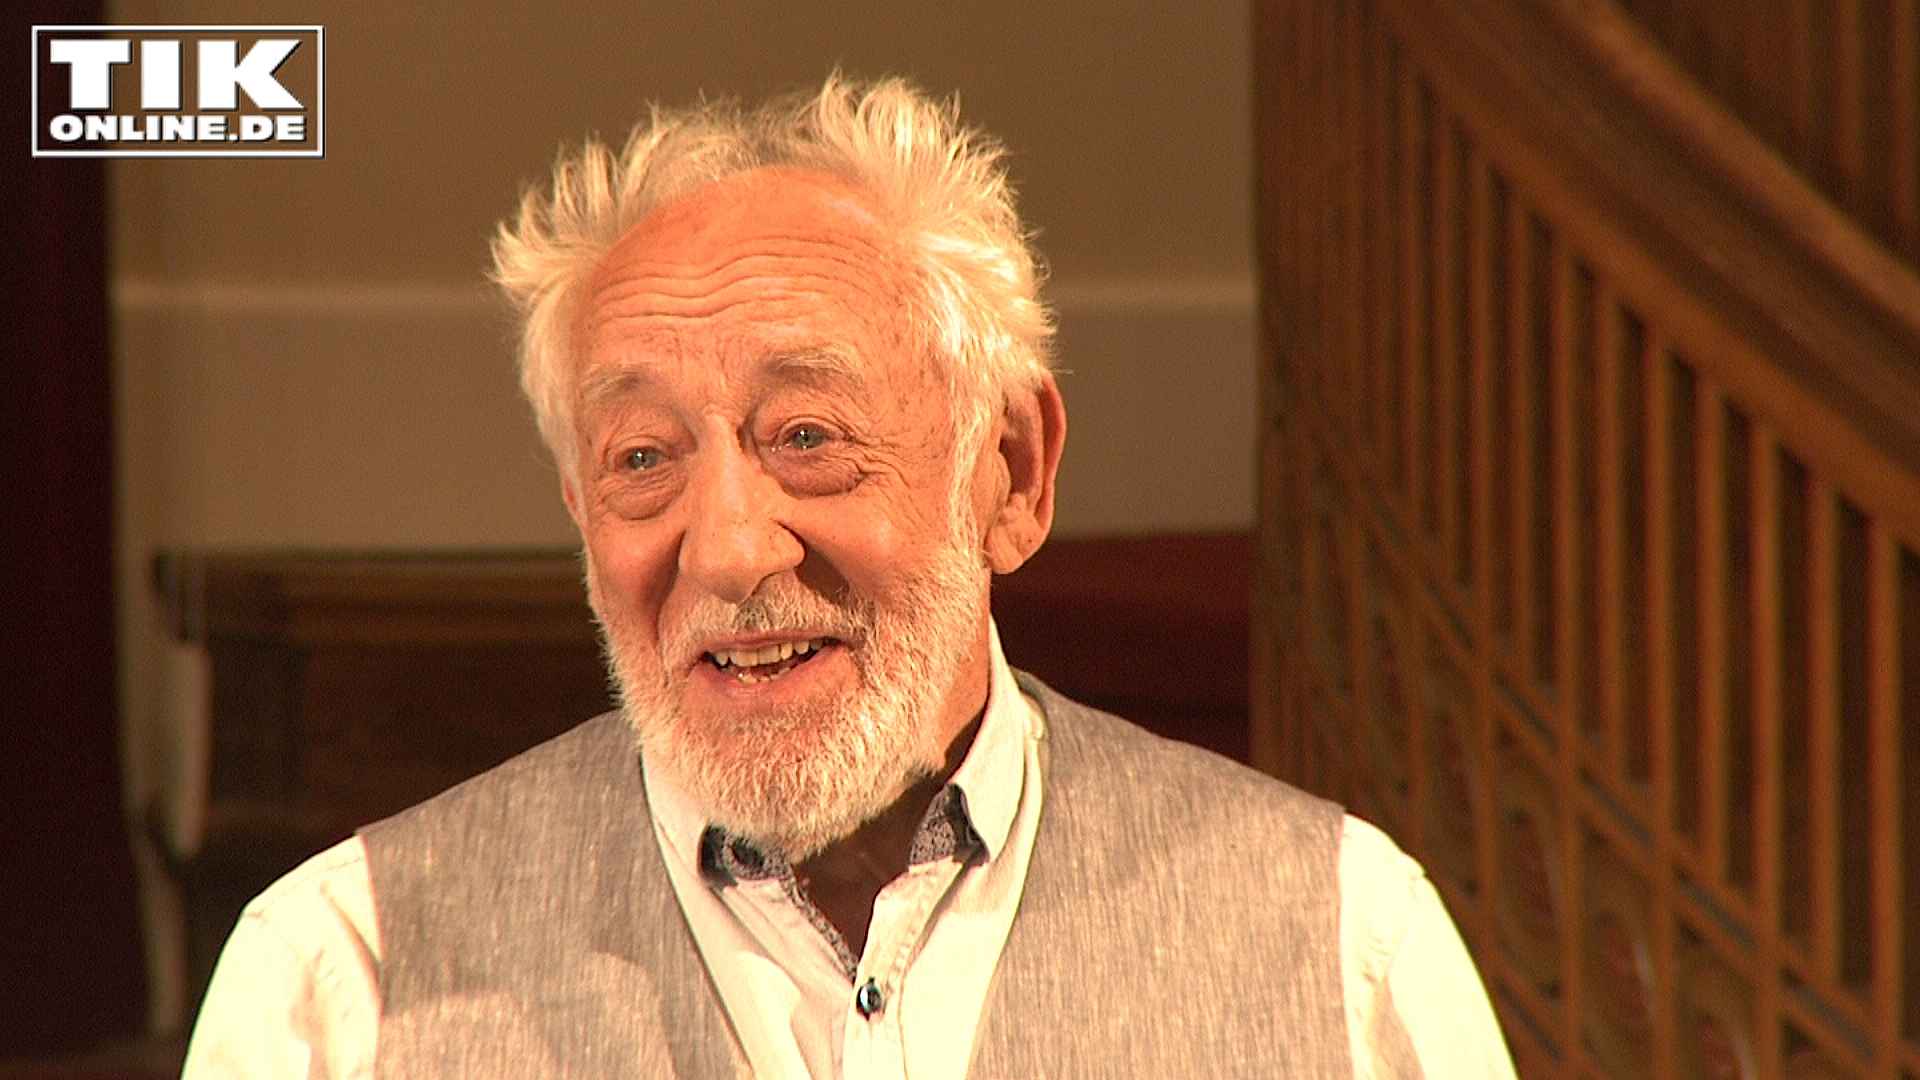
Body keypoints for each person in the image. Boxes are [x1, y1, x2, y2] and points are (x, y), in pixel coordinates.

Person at [183, 75, 1515, 1078]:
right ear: (581, 515)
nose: (728, 549)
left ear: (1010, 473)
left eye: (807, 438)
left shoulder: (1343, 941)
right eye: (643, 458)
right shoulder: (340, 978)